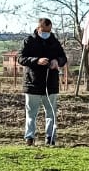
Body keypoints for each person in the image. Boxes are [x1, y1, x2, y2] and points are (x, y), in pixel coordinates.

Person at [18, 17, 69, 145]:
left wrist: (57, 61)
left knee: (51, 113)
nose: (47, 33)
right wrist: (36, 61)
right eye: (44, 30)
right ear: (38, 28)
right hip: (32, 83)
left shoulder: (54, 42)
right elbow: (20, 58)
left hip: (50, 83)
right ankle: (29, 138)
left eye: (49, 30)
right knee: (31, 113)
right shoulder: (29, 41)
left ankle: (50, 138)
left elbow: (63, 58)